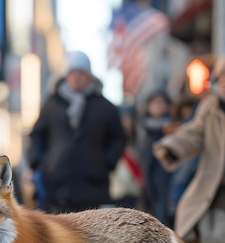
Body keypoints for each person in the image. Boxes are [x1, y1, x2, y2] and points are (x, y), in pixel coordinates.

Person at [153, 56, 225, 243]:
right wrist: (172, 147)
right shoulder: (211, 106)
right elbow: (194, 131)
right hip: (215, 176)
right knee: (206, 219)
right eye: (222, 80)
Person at [27, 50, 126, 214]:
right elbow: (37, 135)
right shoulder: (52, 104)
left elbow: (118, 138)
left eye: (81, 72)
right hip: (57, 186)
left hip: (93, 186)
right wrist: (39, 163)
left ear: (90, 76)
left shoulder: (105, 107)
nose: (76, 76)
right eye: (72, 72)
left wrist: (107, 162)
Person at [136, 90, 174, 226]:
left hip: (166, 175)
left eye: (161, 103)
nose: (157, 106)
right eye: (154, 103)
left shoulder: (173, 128)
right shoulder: (144, 127)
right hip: (147, 176)